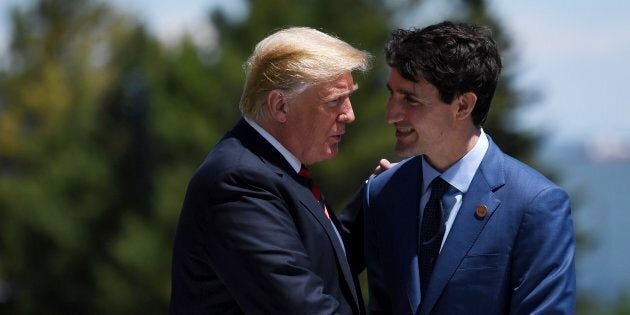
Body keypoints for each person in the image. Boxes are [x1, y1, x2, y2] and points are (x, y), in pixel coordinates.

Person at [362, 21, 576, 314]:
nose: (390, 114)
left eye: (410, 98)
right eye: (391, 94)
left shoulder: (536, 204)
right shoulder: (381, 193)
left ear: (463, 106)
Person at [169, 27, 370, 314]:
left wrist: (382, 191)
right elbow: (303, 307)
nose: (350, 114)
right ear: (280, 106)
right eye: (334, 101)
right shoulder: (238, 182)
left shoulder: (271, 168)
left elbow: (321, 257)